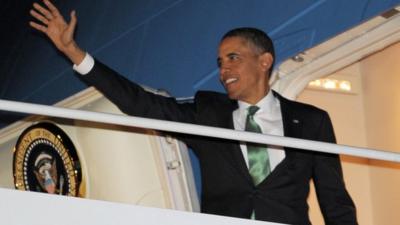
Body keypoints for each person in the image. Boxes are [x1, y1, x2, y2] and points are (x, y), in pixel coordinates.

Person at [29, 0, 358, 224]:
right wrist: (74, 52)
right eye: (219, 62)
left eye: (233, 58)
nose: (223, 69)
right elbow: (140, 104)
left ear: (264, 61)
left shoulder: (312, 121)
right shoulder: (208, 115)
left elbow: (336, 202)